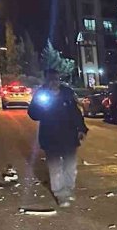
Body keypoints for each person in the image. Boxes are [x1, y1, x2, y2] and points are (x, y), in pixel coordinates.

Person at [28, 69, 88, 207]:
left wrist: (81, 129)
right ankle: (60, 194)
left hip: (69, 136)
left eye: (56, 79)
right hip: (51, 137)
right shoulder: (41, 94)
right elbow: (33, 114)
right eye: (51, 79)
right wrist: (40, 105)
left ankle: (68, 189)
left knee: (70, 166)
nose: (54, 82)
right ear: (46, 80)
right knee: (55, 167)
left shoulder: (67, 92)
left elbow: (75, 112)